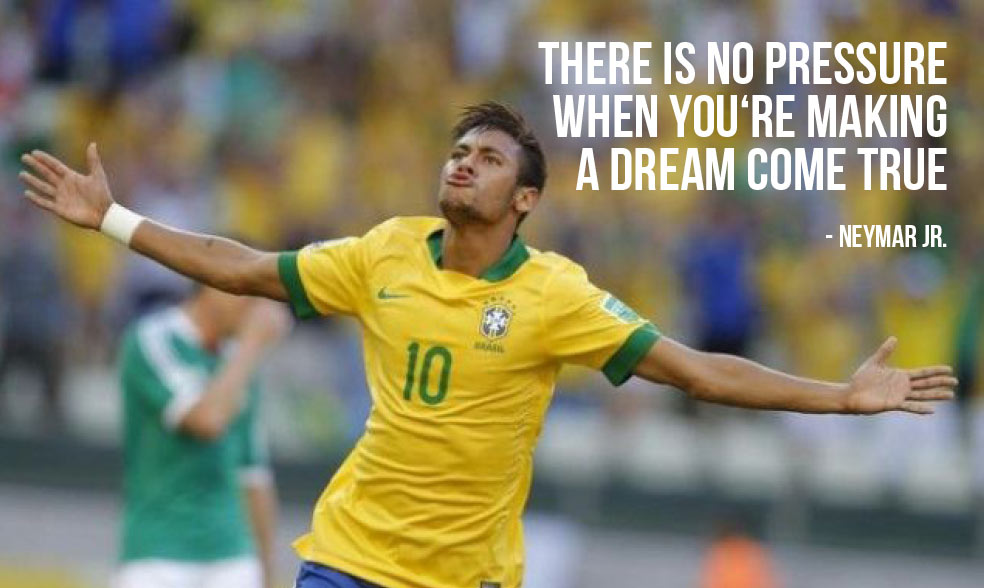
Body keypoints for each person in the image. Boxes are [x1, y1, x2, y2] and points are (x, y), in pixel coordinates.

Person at [19, 102, 956, 588]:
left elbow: (697, 371)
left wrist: (839, 397)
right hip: (348, 561)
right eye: (459, 151)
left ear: (525, 199)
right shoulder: (385, 251)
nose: (464, 162)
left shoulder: (557, 296)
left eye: (489, 157)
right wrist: (116, 221)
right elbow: (244, 266)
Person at [113, 284, 291, 588]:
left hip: (231, 554)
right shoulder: (153, 339)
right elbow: (206, 420)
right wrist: (252, 344)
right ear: (213, 284)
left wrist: (267, 572)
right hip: (158, 552)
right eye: (248, 295)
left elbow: (253, 476)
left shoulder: (237, 361)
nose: (253, 311)